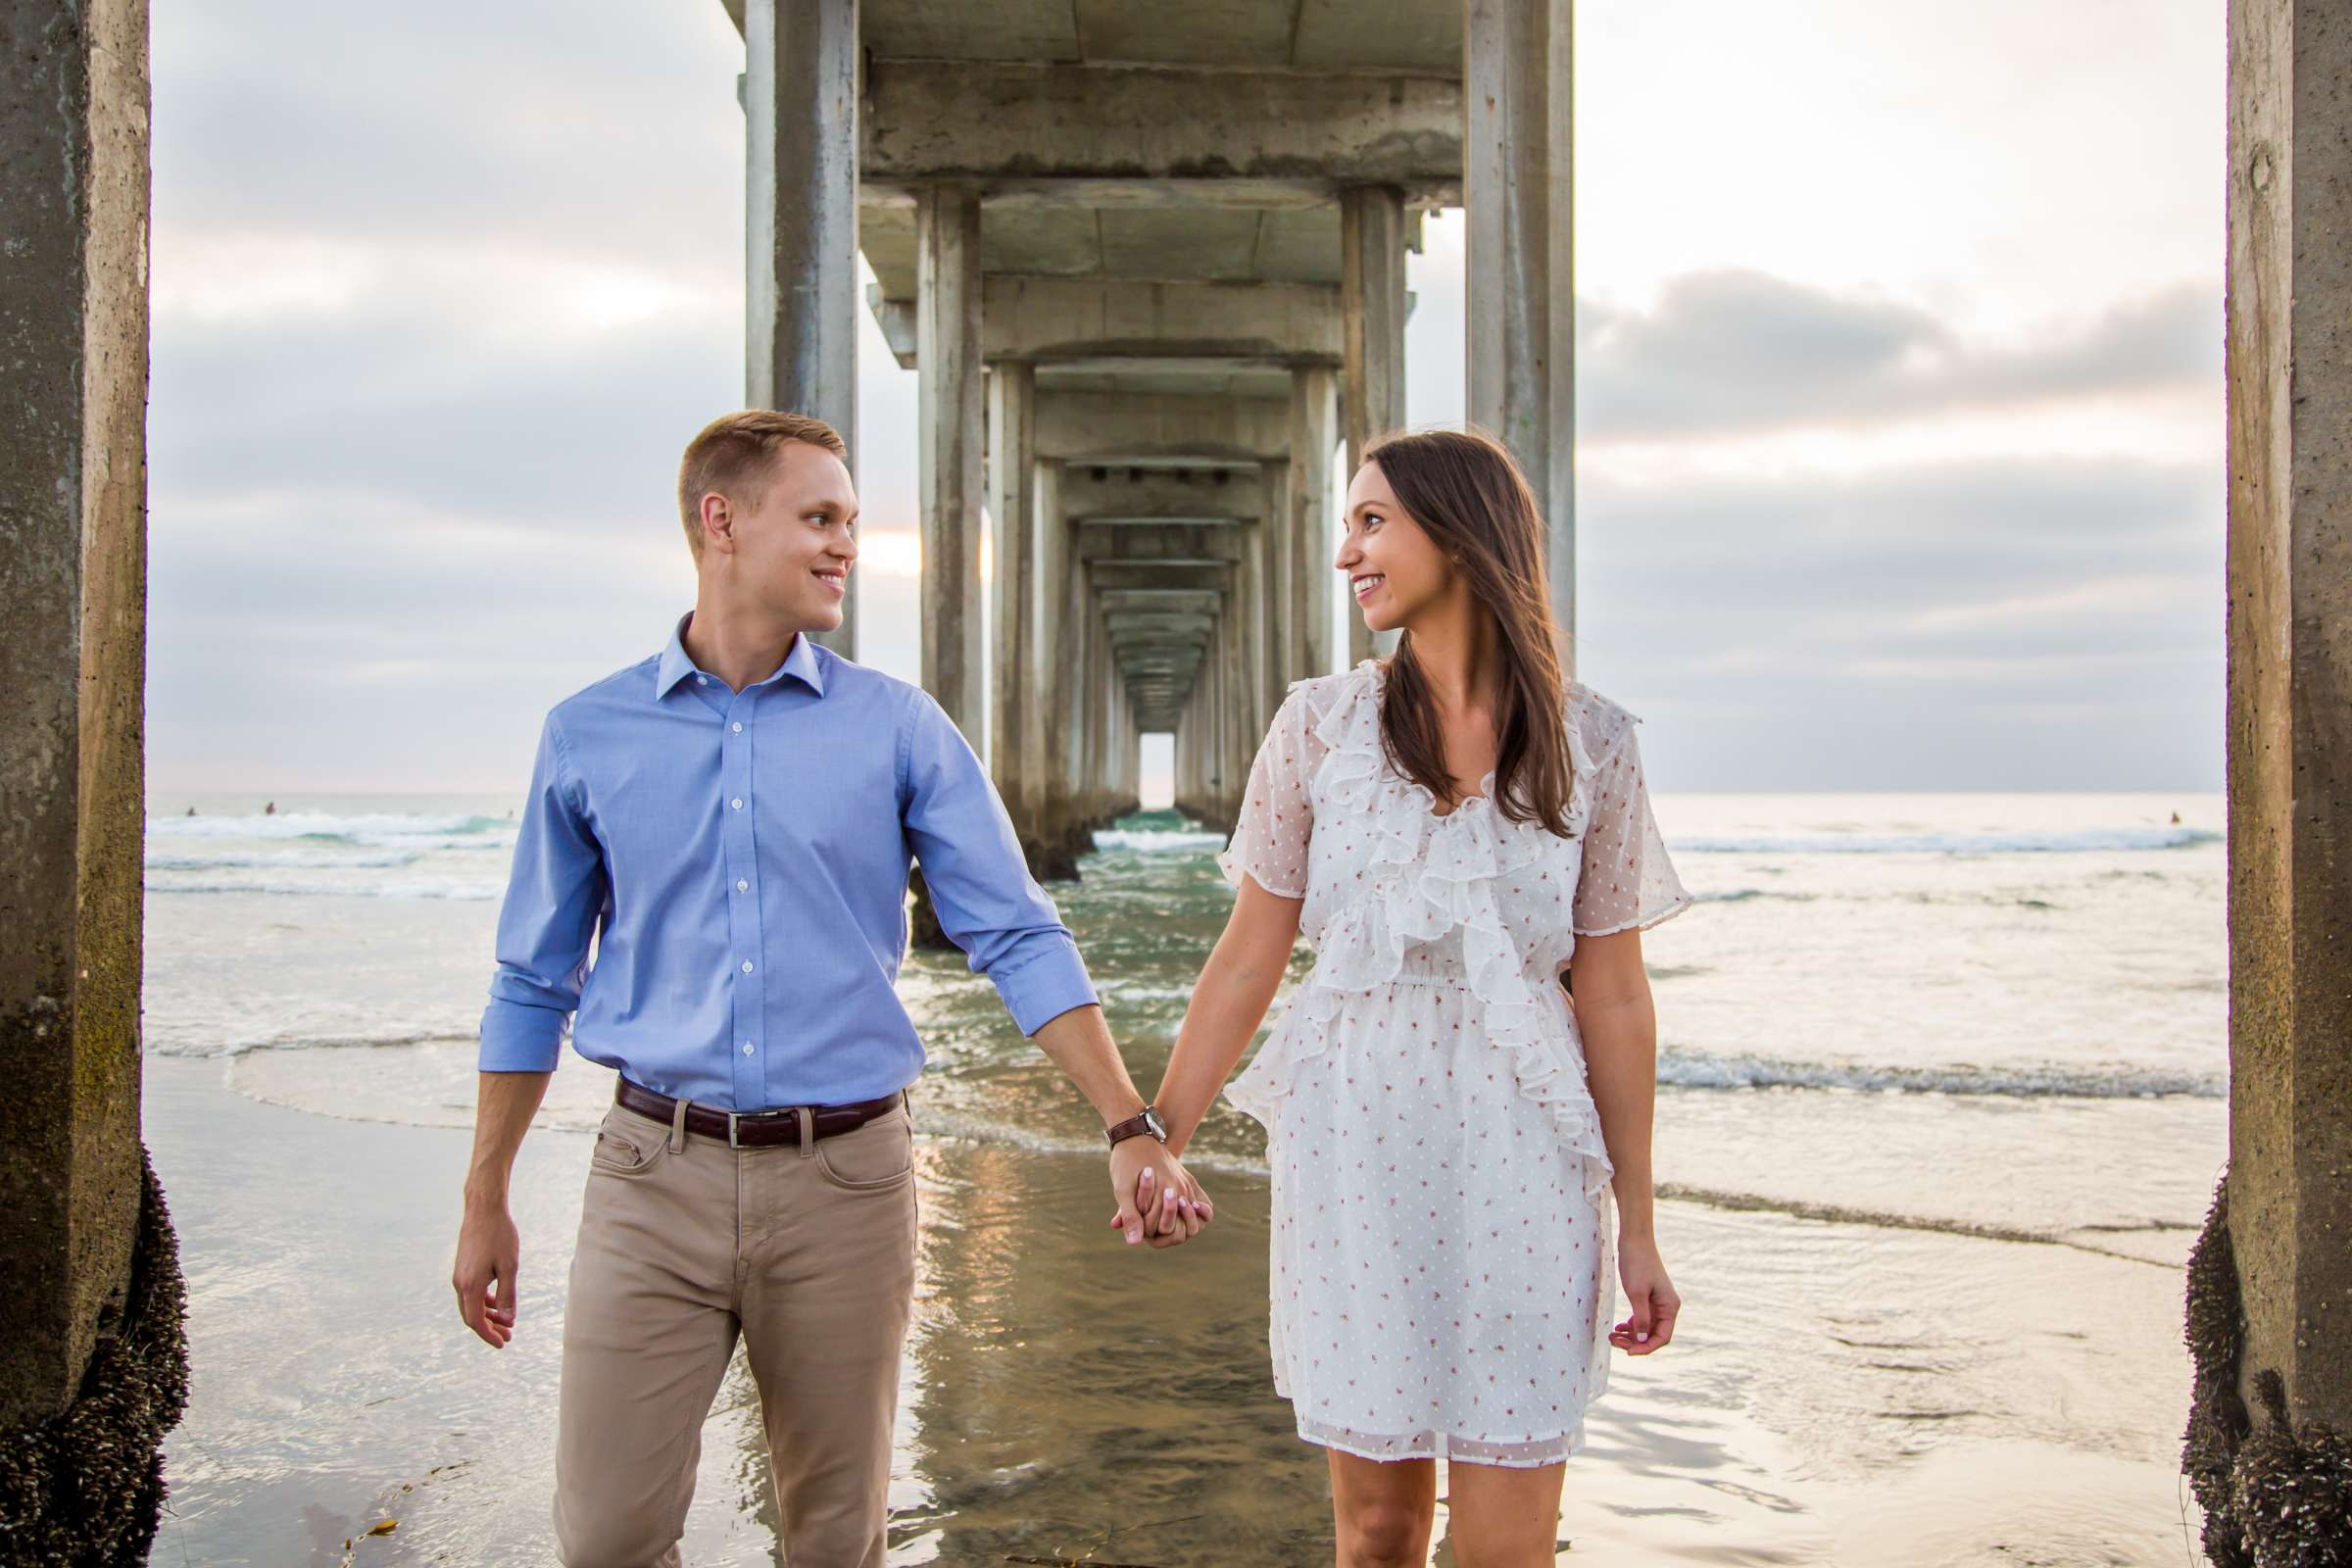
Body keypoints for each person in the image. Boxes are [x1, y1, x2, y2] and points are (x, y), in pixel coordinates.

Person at [450, 410, 1210, 1568]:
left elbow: (1015, 932)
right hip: (652, 1178)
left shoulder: (898, 727)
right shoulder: (587, 733)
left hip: (848, 1183)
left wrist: (1129, 1121)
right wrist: (485, 1191)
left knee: (833, 1542)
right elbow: (532, 979)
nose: (845, 546)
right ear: (721, 522)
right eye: (819, 518)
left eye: (851, 523)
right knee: (605, 1538)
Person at [1151, 428, 1690, 1566]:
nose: (1348, 551)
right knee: (1380, 1530)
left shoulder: (1594, 742)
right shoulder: (1320, 727)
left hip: (1524, 1148)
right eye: (1347, 523)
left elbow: (1616, 997)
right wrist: (1161, 1135)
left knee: (1508, 1542)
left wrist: (1639, 1224)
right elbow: (1251, 953)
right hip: (1353, 1145)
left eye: (1372, 520)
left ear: (1460, 531)